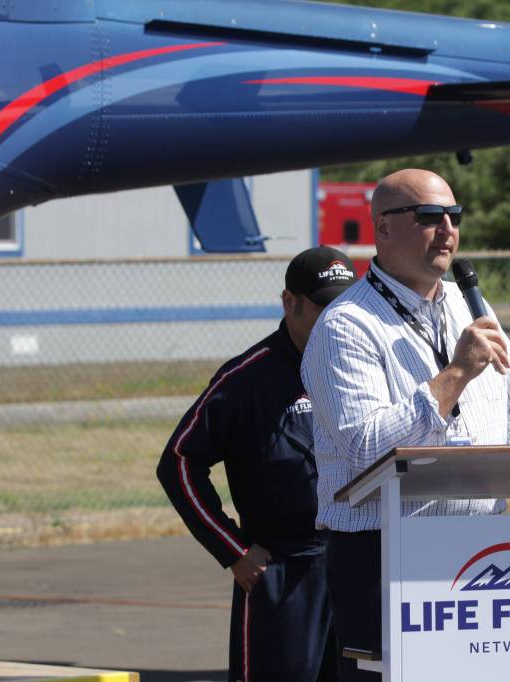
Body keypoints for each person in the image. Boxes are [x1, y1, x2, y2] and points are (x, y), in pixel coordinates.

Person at [302, 168, 510, 681]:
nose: (447, 229)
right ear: (384, 228)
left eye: (454, 216)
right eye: (428, 216)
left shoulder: (471, 309)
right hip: (384, 555)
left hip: (481, 549)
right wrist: (455, 375)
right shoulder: (346, 326)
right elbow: (363, 449)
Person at [157, 247, 357, 682]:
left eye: (346, 304)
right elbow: (178, 462)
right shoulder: (247, 378)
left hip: (355, 559)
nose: (338, 318)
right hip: (282, 573)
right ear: (290, 303)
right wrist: (234, 550)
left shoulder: (362, 368)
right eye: (325, 306)